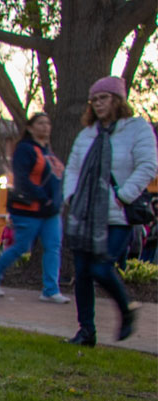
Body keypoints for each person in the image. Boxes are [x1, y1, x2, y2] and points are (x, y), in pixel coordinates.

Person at [62, 76, 157, 346]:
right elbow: (73, 169)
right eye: (94, 100)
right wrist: (71, 196)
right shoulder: (87, 134)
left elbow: (148, 165)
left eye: (103, 98)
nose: (98, 104)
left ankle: (127, 309)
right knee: (82, 272)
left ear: (118, 100)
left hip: (117, 214)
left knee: (101, 268)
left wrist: (124, 195)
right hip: (85, 213)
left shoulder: (137, 129)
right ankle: (86, 331)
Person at [0, 113, 68, 303]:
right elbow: (22, 179)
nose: (45, 127)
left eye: (47, 123)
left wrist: (57, 200)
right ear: (30, 127)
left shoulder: (48, 151)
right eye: (40, 123)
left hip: (51, 211)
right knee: (21, 246)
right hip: (29, 209)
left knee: (53, 247)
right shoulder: (25, 149)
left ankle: (51, 290)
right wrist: (43, 197)